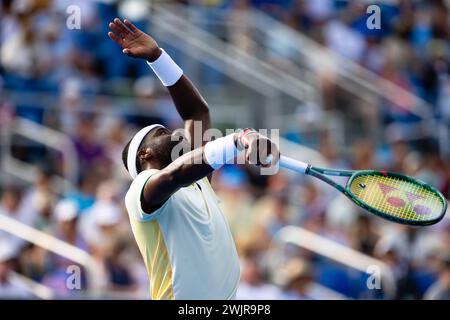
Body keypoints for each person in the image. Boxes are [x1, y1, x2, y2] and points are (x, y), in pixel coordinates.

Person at [108, 18, 280, 300]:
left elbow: (196, 113)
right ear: (145, 153)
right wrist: (239, 139)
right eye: (162, 132)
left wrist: (157, 57)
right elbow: (176, 174)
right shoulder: (142, 188)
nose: (176, 131)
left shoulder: (199, 183)